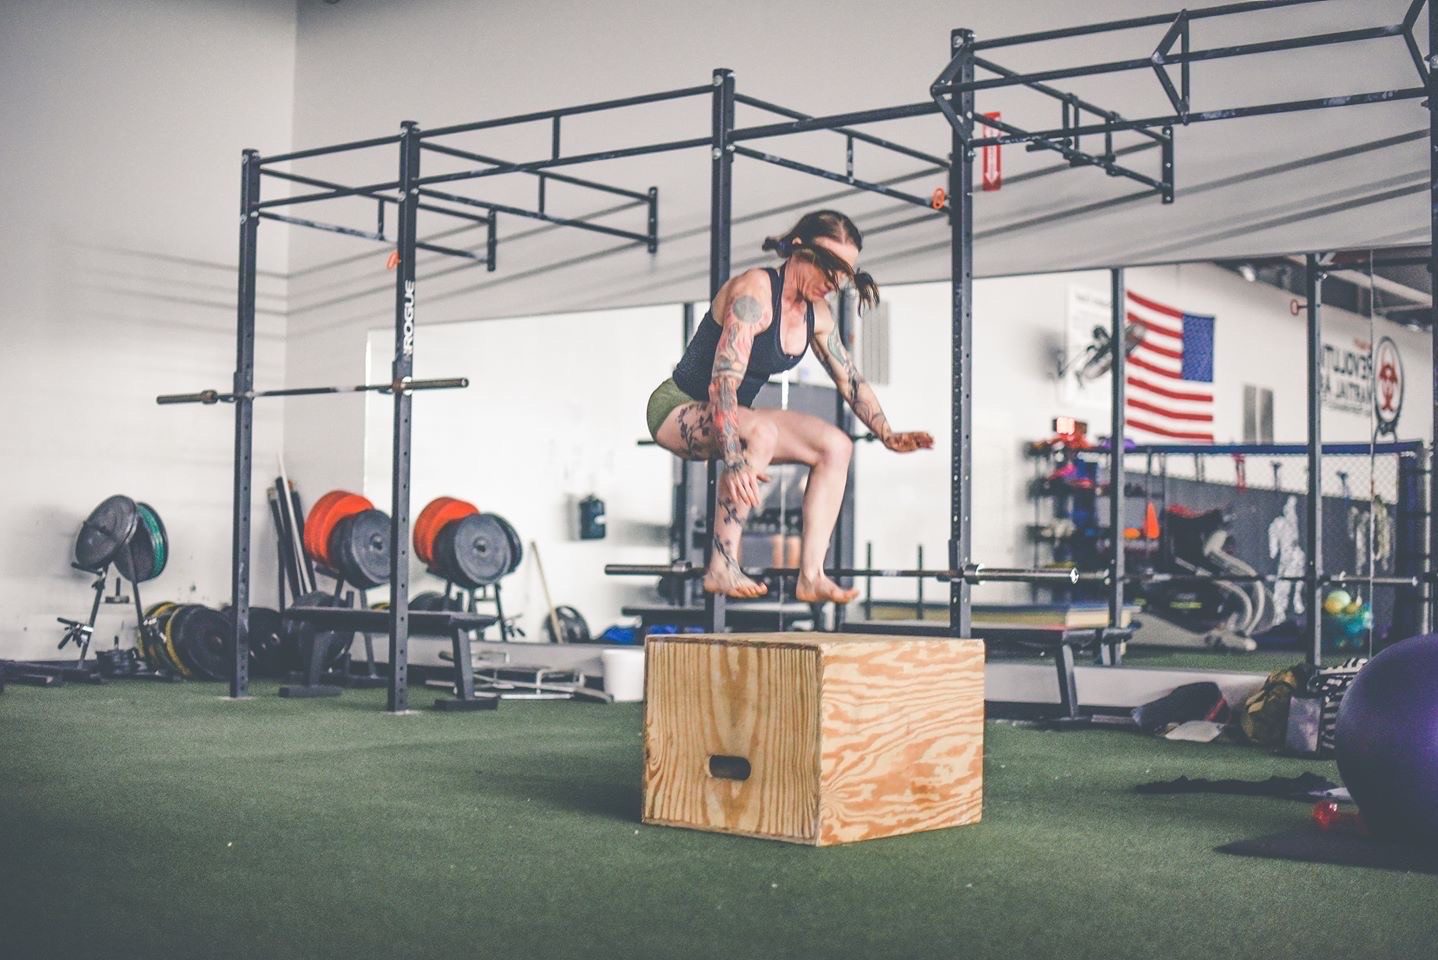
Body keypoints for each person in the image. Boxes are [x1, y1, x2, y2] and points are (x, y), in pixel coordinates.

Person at [645, 210, 933, 602]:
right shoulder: (754, 294)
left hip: (737, 418)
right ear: (799, 250)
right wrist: (733, 456)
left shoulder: (817, 314)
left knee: (837, 445)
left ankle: (811, 576)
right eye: (827, 268)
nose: (833, 283)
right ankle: (722, 566)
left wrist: (886, 433)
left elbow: (849, 378)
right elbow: (723, 383)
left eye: (842, 273)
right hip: (676, 409)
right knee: (760, 434)